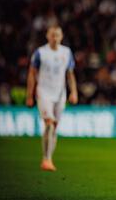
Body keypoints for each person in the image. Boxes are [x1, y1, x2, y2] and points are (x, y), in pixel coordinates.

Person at [26, 25, 78, 171]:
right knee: (49, 123)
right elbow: (31, 73)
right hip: (44, 93)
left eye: (57, 35)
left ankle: (48, 157)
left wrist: (74, 92)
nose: (55, 38)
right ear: (47, 36)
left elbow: (70, 74)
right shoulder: (40, 53)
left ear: (61, 37)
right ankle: (46, 159)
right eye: (52, 35)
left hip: (60, 94)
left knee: (53, 128)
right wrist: (29, 95)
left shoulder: (66, 52)